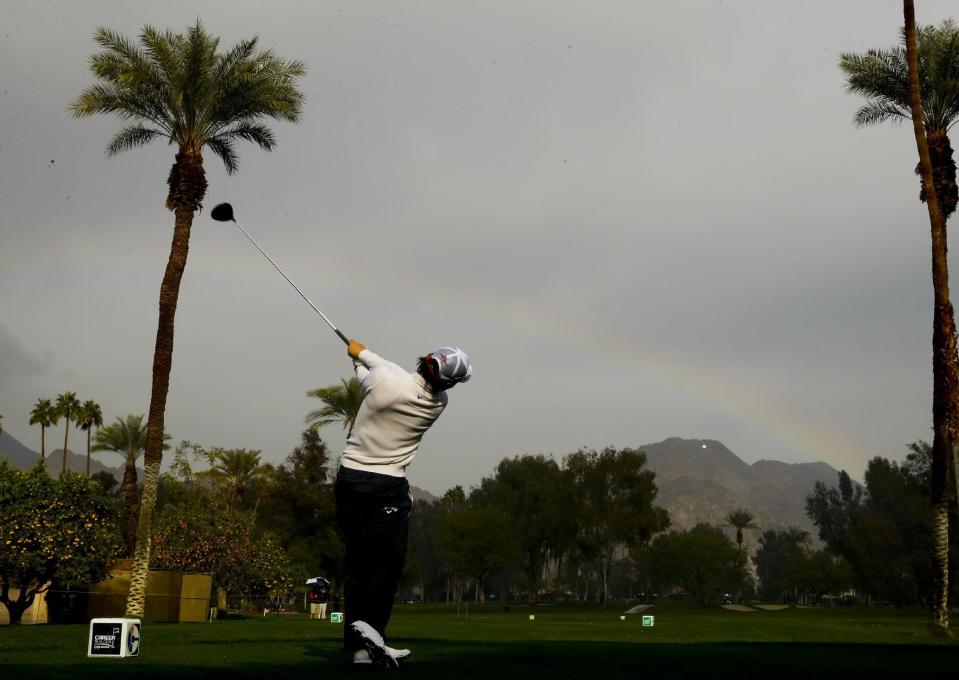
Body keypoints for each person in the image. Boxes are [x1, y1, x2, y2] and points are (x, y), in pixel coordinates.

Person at [335, 340, 472, 668]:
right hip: (387, 488)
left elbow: (374, 370)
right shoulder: (440, 402)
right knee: (385, 566)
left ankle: (357, 647)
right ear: (448, 382)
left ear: (427, 359)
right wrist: (363, 357)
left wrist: (358, 356)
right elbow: (384, 368)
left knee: (357, 565)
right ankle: (370, 643)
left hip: (350, 480)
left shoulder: (383, 380)